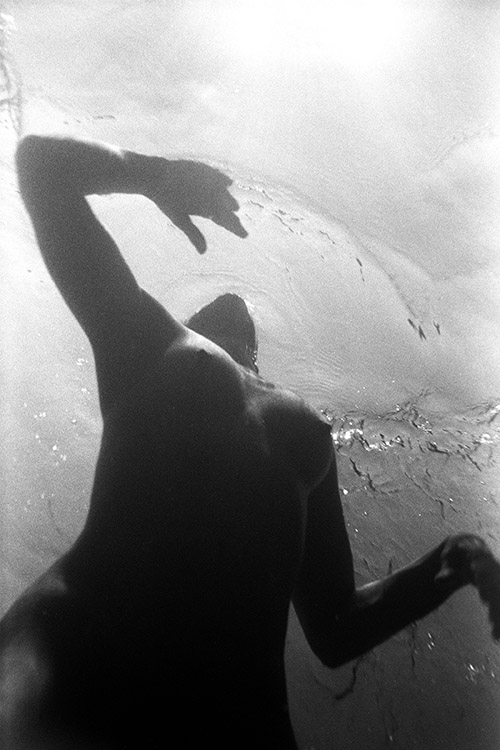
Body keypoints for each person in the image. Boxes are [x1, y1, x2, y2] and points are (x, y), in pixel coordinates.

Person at [1, 134, 499, 750]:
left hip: (177, 694)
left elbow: (336, 628)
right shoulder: (164, 350)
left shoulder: (298, 430)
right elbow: (40, 164)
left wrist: (448, 561)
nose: (235, 308)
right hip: (84, 666)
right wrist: (154, 175)